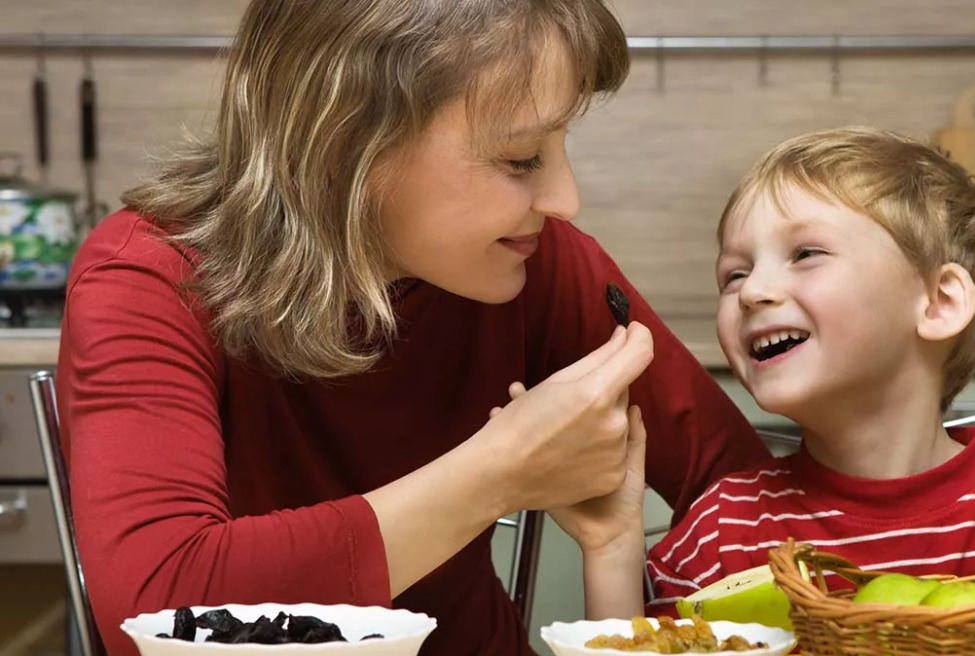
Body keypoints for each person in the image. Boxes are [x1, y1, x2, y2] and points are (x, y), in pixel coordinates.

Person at [54, 1, 773, 654]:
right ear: (345, 148)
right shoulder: (148, 276)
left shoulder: (538, 262)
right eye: (520, 158)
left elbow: (746, 498)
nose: (565, 199)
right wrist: (497, 473)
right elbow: (152, 607)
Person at [564, 126, 975, 621]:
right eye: (734, 274)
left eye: (805, 253)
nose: (753, 292)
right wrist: (612, 549)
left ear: (939, 303)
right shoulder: (719, 531)